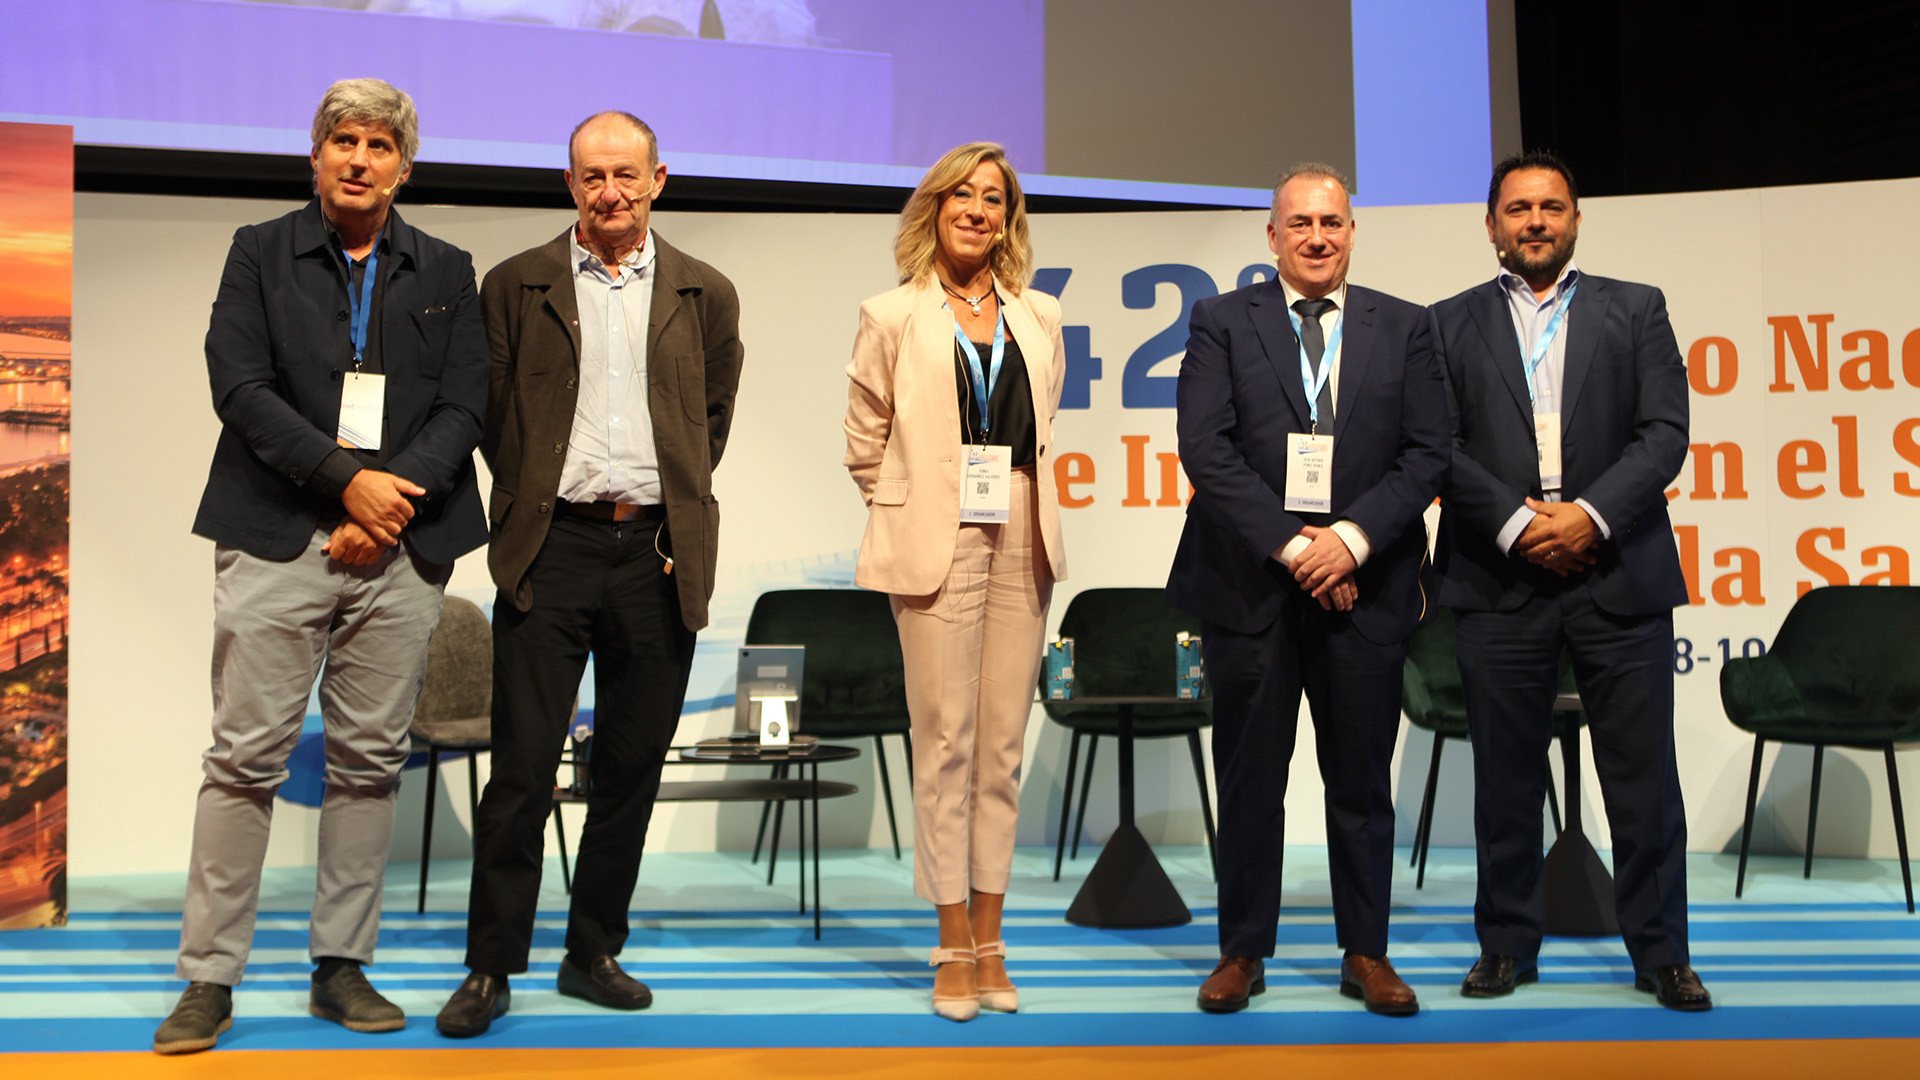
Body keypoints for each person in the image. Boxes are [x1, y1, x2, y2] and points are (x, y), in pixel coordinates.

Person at [157, 78, 488, 1054]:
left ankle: (341, 965)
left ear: (403, 167)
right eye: (344, 140)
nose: (359, 159)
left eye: (379, 145)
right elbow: (240, 386)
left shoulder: (446, 267)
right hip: (278, 534)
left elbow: (465, 404)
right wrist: (349, 485)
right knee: (243, 761)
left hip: (402, 545)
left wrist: (386, 506)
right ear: (316, 155)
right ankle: (210, 977)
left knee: (370, 763)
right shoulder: (259, 250)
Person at [435, 111, 744, 1038]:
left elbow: (710, 419)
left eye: (625, 174)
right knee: (522, 772)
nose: (610, 191)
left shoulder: (706, 291)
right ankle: (491, 965)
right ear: (570, 185)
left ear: (658, 180)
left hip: (657, 553)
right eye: (592, 176)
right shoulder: (516, 283)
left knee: (630, 768)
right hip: (552, 548)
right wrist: (538, 500)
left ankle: (592, 949)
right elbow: (493, 416)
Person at [1431, 150, 1709, 1011]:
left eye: (1551, 207)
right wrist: (1519, 526)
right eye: (1518, 209)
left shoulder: (1637, 308)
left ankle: (1663, 953)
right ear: (1491, 224)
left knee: (1644, 780)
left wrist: (1587, 516)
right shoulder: (1445, 323)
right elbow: (1435, 445)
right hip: (1497, 575)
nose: (1536, 221)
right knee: (1504, 781)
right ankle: (1506, 946)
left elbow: (1664, 434)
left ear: (1577, 219)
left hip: (1617, 569)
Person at [1166, 164, 1447, 1016]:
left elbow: (1427, 455)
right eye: (1300, 223)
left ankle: (1366, 951)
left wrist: (1349, 543)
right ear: (1273, 236)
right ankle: (1242, 951)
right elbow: (1206, 449)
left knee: (1360, 784)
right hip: (1250, 586)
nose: (1317, 237)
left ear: (1352, 230)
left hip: (1368, 586)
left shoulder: (1408, 326)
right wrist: (1298, 549)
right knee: (1250, 778)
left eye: (1332, 222)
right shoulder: (1221, 321)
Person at [843, 142, 1067, 1022]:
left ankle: (991, 938)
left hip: (1022, 526)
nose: (978, 210)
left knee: (1002, 747)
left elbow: (1042, 425)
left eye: (994, 199)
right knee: (945, 744)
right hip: (935, 535)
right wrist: (912, 510)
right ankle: (949, 942)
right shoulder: (891, 313)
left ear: (1009, 218)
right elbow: (864, 439)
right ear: (934, 208)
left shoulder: (1039, 315)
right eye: (962, 195)